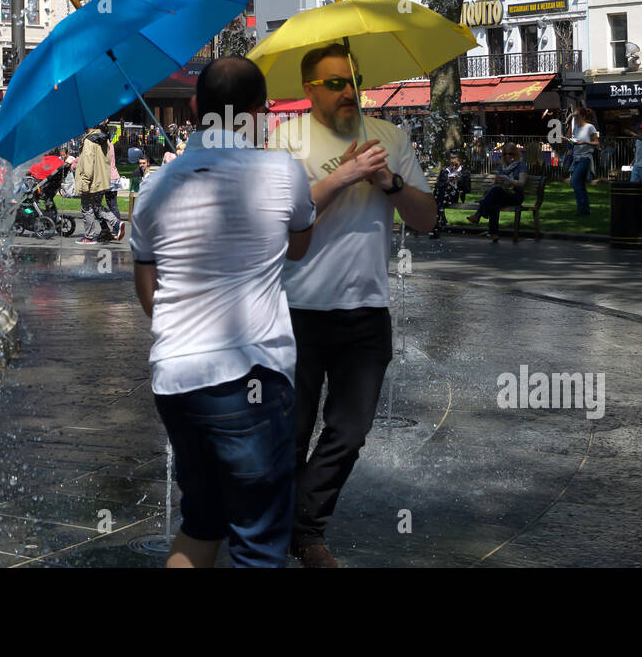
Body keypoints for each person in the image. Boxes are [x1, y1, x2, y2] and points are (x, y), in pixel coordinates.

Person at [130, 58, 314, 568]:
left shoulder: (154, 187)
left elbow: (149, 288)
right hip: (249, 377)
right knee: (259, 546)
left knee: (201, 524)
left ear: (194, 107)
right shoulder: (283, 171)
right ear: (260, 114)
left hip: (176, 379)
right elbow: (299, 246)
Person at [269, 43, 435, 567]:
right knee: (291, 435)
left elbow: (427, 220)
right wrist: (341, 176)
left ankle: (306, 530)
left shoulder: (390, 139)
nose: (348, 91)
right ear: (309, 89)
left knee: (350, 431)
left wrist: (388, 182)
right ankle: (289, 536)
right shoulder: (284, 141)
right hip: (295, 308)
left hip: (366, 310)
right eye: (335, 82)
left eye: (353, 81)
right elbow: (276, 223)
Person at [467, 141, 526, 241]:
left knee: (493, 195)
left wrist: (508, 180)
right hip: (502, 194)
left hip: (515, 195)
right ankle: (494, 234)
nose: (508, 156)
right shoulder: (501, 167)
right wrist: (496, 180)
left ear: (516, 154)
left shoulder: (521, 165)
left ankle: (478, 215)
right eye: (505, 154)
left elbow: (522, 183)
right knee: (494, 201)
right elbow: (495, 185)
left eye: (510, 153)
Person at [75, 124, 124, 243]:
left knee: (87, 208)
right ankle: (116, 222)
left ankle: (89, 237)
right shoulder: (104, 140)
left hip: (91, 181)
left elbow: (88, 163)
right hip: (101, 180)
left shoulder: (88, 141)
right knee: (96, 206)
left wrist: (85, 183)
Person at [567, 107, 600, 216]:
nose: (575, 118)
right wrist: (569, 140)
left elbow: (597, 143)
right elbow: (574, 141)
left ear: (584, 116)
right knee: (579, 184)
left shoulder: (590, 127)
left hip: (585, 158)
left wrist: (584, 143)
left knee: (574, 181)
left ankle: (581, 208)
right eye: (574, 116)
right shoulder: (576, 127)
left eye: (577, 116)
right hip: (576, 158)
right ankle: (584, 209)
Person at [430, 152, 464, 239]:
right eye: (452, 164)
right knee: (440, 191)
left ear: (459, 162)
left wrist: (458, 181)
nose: (453, 166)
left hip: (453, 195)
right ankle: (441, 212)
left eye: (455, 164)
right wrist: (447, 182)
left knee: (438, 196)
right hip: (443, 196)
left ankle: (434, 229)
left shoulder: (463, 171)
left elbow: (467, 188)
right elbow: (437, 185)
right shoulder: (445, 171)